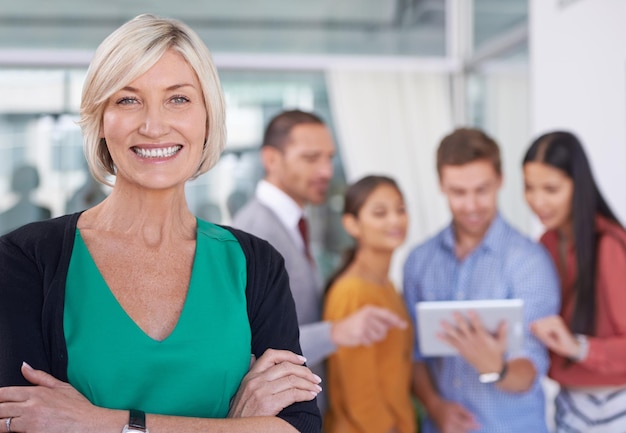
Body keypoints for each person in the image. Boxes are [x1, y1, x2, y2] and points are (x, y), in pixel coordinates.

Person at [0, 14, 322, 433]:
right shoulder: (25, 260)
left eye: (179, 99)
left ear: (208, 116)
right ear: (100, 120)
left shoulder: (255, 264)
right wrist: (235, 425)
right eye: (128, 100)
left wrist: (107, 424)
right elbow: (20, 421)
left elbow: (297, 427)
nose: (153, 126)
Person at [232, 110, 407, 413]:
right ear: (271, 159)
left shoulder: (295, 222)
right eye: (311, 158)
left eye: (329, 158)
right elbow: (247, 347)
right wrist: (336, 332)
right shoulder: (253, 232)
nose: (326, 171)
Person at [402, 127, 561, 433]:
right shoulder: (418, 261)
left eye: (482, 190)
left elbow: (531, 368)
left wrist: (496, 368)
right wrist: (435, 407)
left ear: (500, 181)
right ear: (441, 186)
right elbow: (414, 355)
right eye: (458, 192)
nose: (472, 205)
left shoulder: (529, 261)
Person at [523, 131, 626, 433]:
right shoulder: (546, 243)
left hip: (614, 403)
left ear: (577, 186)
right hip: (569, 403)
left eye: (551, 189)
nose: (537, 201)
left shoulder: (609, 246)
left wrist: (578, 347)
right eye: (529, 188)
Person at [323, 175, 415, 433]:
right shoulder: (352, 292)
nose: (395, 220)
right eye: (380, 213)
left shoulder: (386, 286)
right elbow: (359, 393)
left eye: (400, 209)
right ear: (352, 225)